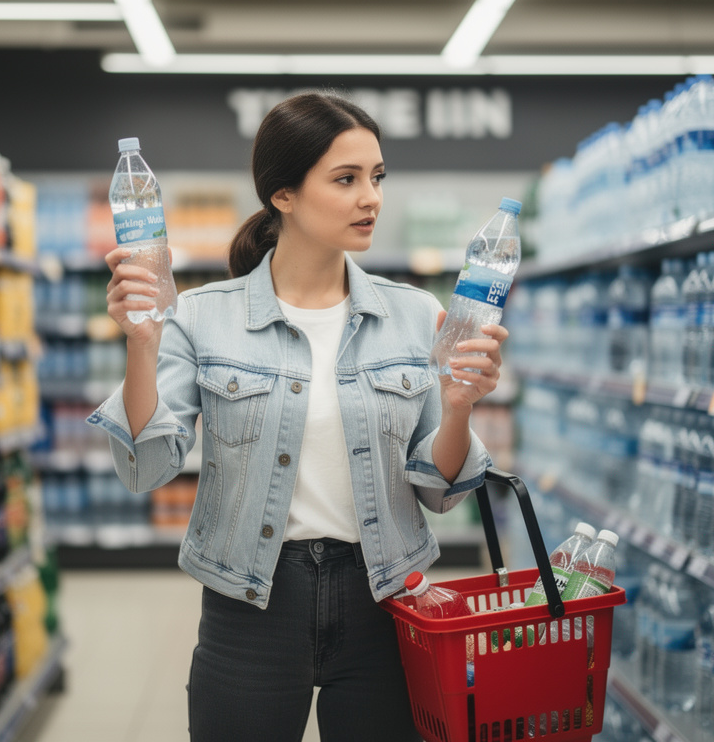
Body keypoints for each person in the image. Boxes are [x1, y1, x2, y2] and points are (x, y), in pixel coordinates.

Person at [88, 92, 508, 741]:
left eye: (377, 177)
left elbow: (439, 490)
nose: (371, 198)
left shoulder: (417, 316)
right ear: (282, 194)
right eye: (346, 179)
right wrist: (142, 343)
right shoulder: (203, 318)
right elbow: (145, 466)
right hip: (248, 606)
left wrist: (458, 410)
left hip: (385, 599)